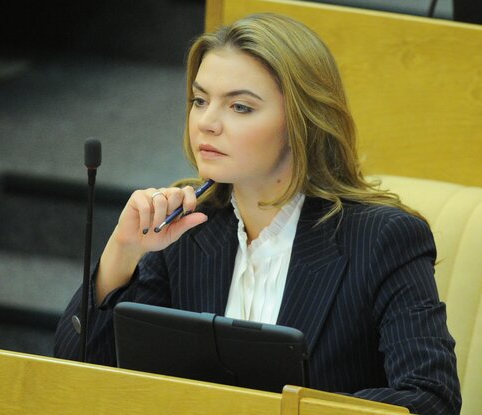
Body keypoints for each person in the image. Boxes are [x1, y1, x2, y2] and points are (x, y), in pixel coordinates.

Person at [54, 13, 461, 415]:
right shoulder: (186, 230)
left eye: (240, 107)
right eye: (200, 100)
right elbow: (78, 375)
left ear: (302, 122)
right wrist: (122, 253)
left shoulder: (382, 239)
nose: (207, 123)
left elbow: (430, 398)